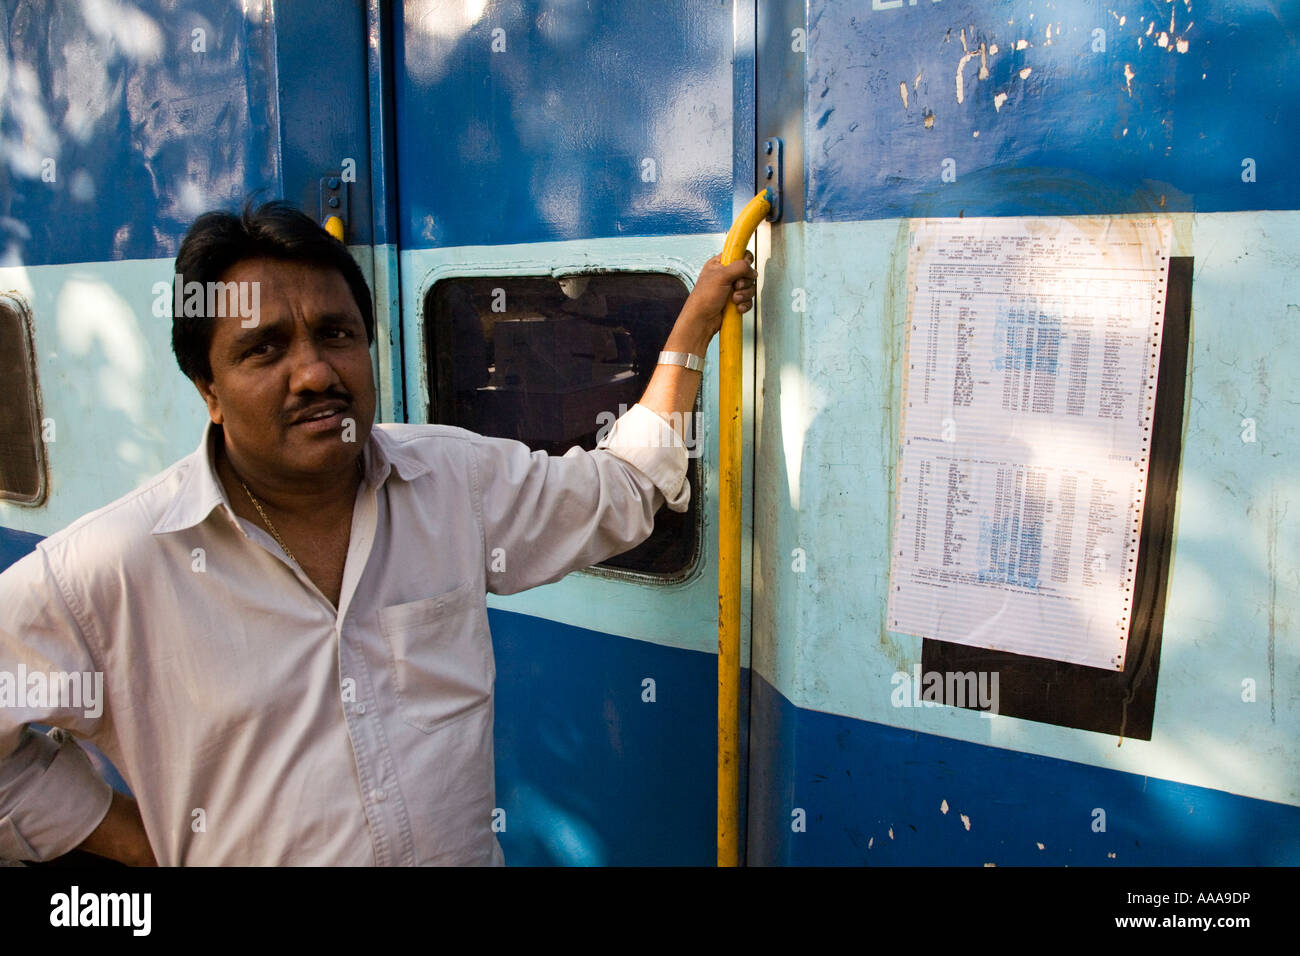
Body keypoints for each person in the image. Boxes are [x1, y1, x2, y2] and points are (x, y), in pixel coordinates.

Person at [0, 201, 756, 865]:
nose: (316, 374)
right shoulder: (113, 568)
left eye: (336, 334)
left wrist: (689, 333)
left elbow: (623, 490)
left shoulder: (450, 483)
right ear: (210, 391)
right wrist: (135, 840)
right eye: (265, 348)